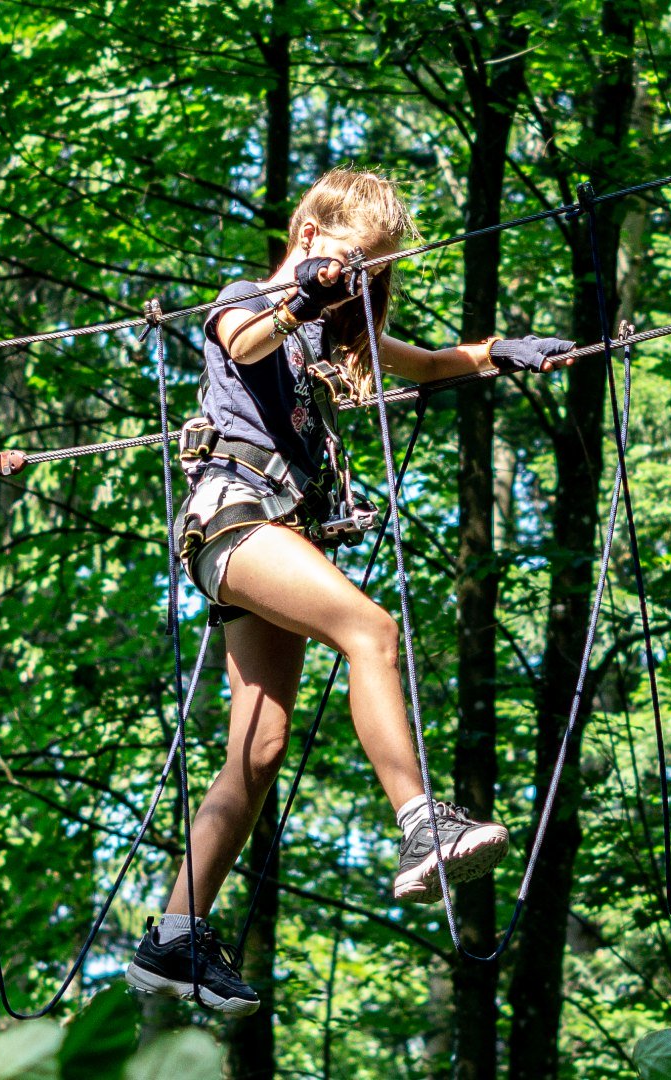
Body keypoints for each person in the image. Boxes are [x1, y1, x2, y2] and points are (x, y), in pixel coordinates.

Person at [123, 167, 573, 1015]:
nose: (361, 281)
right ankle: (420, 823)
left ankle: (175, 937)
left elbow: (431, 363)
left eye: (376, 268)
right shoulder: (249, 300)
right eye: (354, 261)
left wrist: (502, 354)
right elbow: (242, 340)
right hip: (233, 521)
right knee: (370, 630)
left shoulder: (327, 338)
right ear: (309, 235)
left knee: (255, 756)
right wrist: (300, 294)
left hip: (277, 536)